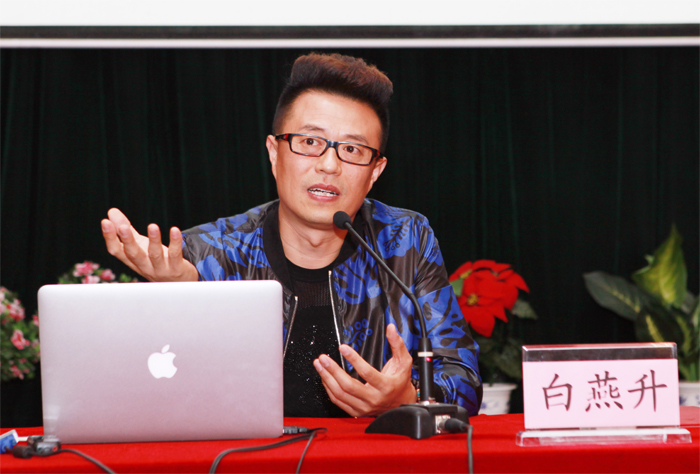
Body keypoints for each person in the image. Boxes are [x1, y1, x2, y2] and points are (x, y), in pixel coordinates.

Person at [101, 53, 482, 418]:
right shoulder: (208, 254)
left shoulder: (404, 242)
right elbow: (151, 394)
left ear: (375, 172)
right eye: (310, 142)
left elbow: (464, 379)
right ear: (274, 152)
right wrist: (184, 294)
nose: (329, 165)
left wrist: (408, 397)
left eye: (352, 149)